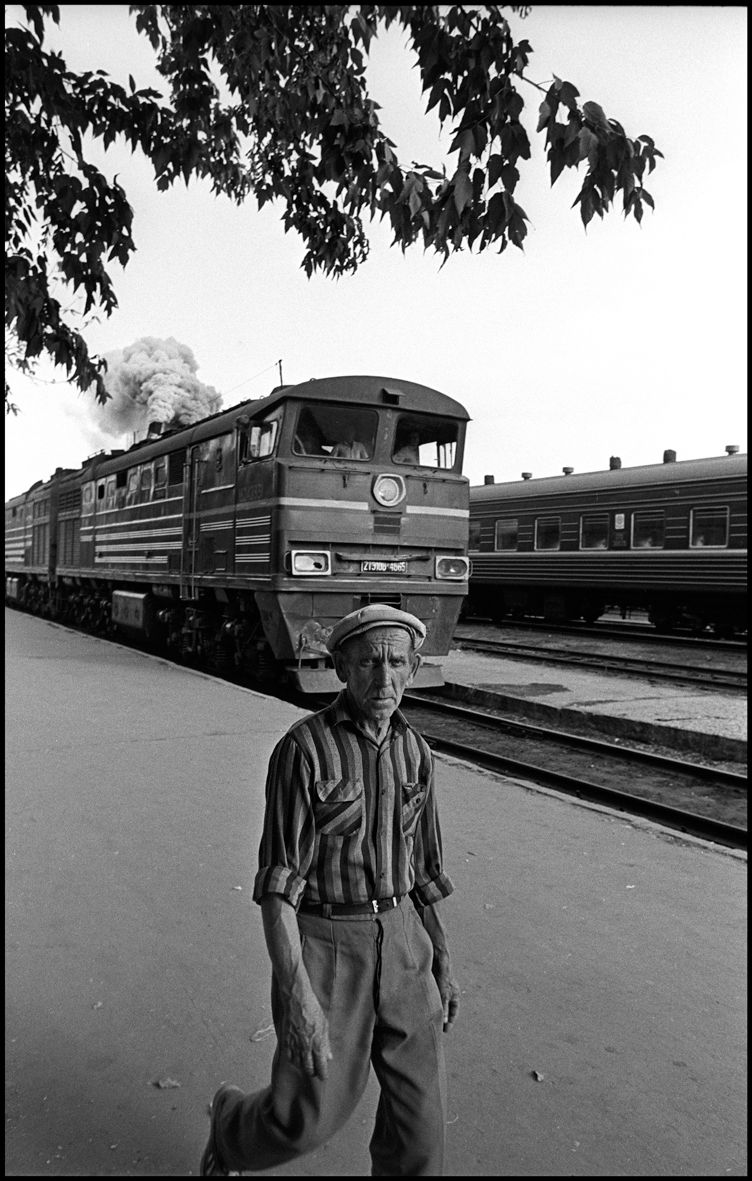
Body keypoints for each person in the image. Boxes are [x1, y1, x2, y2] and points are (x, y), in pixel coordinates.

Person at [200, 604, 460, 1177]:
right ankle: (230, 1127)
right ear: (341, 668)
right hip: (328, 944)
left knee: (421, 1133)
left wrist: (441, 956)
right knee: (305, 1118)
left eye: (397, 663)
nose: (384, 678)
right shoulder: (304, 750)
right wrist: (296, 994)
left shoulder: (416, 751)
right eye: (368, 662)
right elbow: (278, 886)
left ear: (414, 668)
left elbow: (423, 869)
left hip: (404, 940)